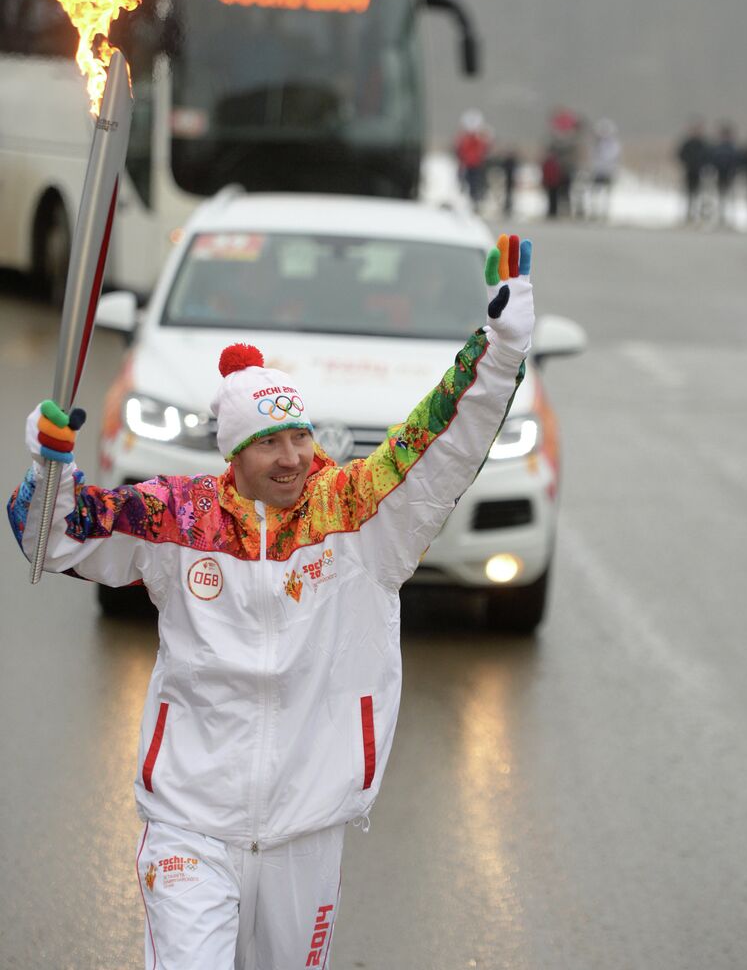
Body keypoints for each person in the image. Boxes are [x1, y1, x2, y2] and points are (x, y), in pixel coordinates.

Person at [8, 235, 535, 970]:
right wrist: (49, 467)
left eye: (297, 435)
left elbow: (437, 443)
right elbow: (54, 539)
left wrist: (500, 348)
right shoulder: (180, 519)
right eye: (267, 442)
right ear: (234, 453)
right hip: (191, 820)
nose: (289, 457)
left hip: (304, 829)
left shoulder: (358, 519)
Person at [454, 108, 493, 209]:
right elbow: (460, 149)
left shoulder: (478, 138)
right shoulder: (466, 138)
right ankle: (472, 199)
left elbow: (484, 149)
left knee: (475, 182)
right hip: (469, 164)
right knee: (467, 181)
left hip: (476, 164)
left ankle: (476, 199)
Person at [676, 119, 709, 223]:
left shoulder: (703, 143)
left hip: (700, 173)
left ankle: (699, 215)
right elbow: (680, 155)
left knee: (700, 194)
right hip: (689, 171)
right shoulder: (687, 143)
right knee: (688, 194)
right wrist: (686, 163)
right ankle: (688, 214)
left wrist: (704, 166)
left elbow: (708, 156)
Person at [588, 118, 621, 221]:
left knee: (606, 193)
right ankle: (594, 211)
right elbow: (592, 157)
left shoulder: (613, 144)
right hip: (597, 171)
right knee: (595, 192)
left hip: (607, 171)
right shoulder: (596, 143)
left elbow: (611, 156)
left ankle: (604, 212)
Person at [709, 122, 740, 226]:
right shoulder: (717, 148)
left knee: (730, 197)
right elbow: (712, 160)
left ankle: (730, 218)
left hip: (730, 175)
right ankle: (719, 217)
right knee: (719, 196)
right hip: (719, 174)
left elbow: (738, 160)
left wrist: (735, 170)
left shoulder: (734, 148)